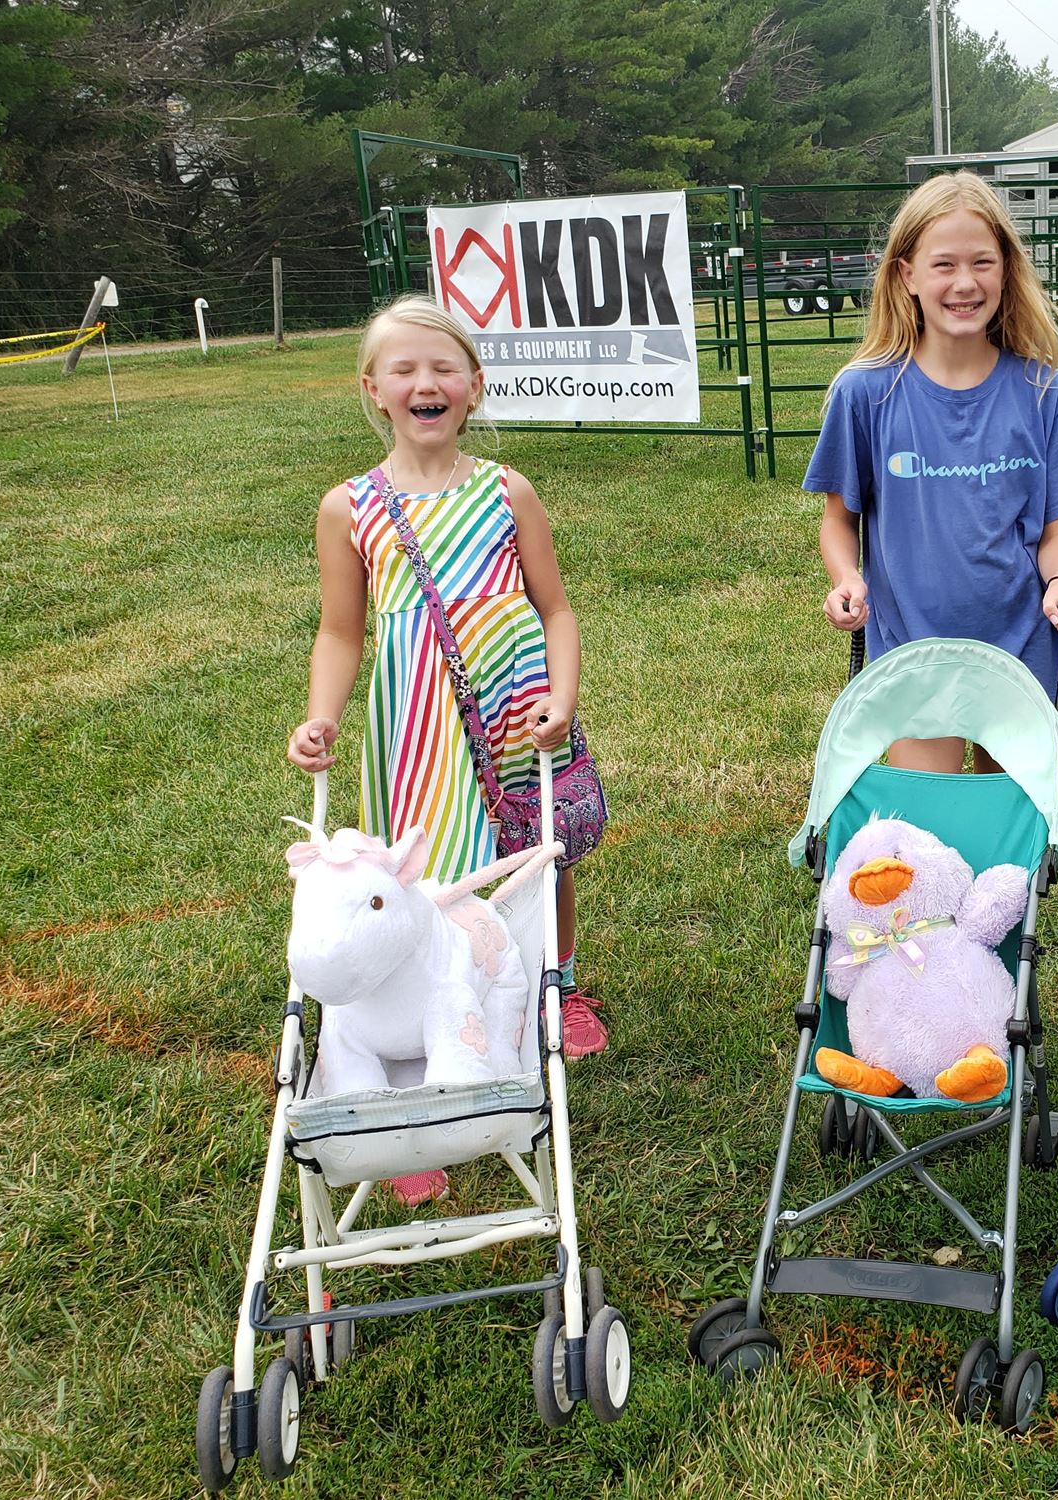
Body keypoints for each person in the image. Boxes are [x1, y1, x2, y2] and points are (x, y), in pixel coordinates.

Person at [287, 296, 606, 1200]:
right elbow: (341, 631)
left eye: (444, 368)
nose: (425, 383)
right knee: (424, 882)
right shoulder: (349, 506)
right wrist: (322, 716)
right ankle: (408, 1079)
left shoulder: (508, 491)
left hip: (514, 709)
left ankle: (555, 988)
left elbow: (556, 608)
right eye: (404, 370)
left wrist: (563, 692)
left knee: (536, 855)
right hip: (417, 726)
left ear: (474, 385)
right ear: (373, 390)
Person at [807, 171, 1058, 774]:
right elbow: (839, 521)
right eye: (944, 265)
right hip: (913, 653)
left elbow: (1055, 531)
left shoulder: (1046, 393)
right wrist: (845, 579)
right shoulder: (864, 394)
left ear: (1006, 271)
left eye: (982, 263)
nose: (965, 283)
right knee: (923, 834)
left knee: (1010, 837)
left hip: (1022, 652)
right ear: (906, 274)